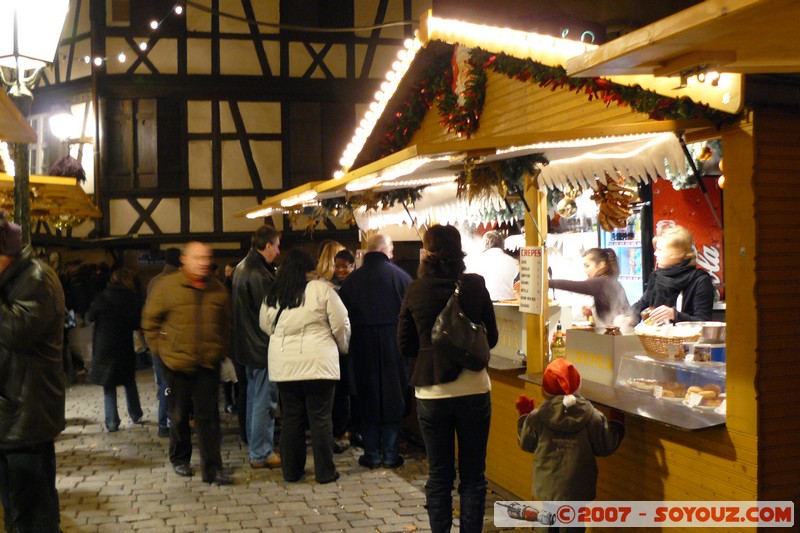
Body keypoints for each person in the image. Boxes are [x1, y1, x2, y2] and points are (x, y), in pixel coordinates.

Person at [398, 224, 498, 533]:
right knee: (473, 476)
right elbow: (490, 338)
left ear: (425, 253)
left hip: (432, 393)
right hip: (474, 390)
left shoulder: (415, 290)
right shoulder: (476, 285)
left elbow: (404, 344)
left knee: (439, 474)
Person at [142, 242, 232, 485]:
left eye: (206, 257)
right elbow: (149, 323)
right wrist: (161, 352)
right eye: (198, 258)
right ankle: (180, 459)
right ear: (184, 260)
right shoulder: (167, 287)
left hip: (207, 364)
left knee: (209, 419)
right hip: (176, 364)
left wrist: (219, 350)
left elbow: (225, 324)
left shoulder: (217, 289)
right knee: (179, 416)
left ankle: (212, 468)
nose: (203, 262)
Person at [259, 249, 350, 484]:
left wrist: (283, 339)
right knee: (320, 419)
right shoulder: (322, 290)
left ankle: (291, 471)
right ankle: (325, 471)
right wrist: (341, 346)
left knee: (291, 419)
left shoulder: (274, 293)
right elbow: (341, 322)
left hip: (285, 366)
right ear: (309, 269)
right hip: (319, 364)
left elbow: (265, 325)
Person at [0, 211, 66, 531]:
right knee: (17, 509)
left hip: (26, 417)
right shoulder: (12, 279)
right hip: (11, 416)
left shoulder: (36, 278)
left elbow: (16, 332)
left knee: (32, 514)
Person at [516, 358, 625, 532]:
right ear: (577, 385)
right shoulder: (592, 417)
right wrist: (617, 421)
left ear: (545, 389)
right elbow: (606, 446)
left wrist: (524, 415)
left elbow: (526, 443)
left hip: (547, 487)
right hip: (578, 489)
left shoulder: (537, 417)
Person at [339, 234, 412, 469]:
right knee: (393, 397)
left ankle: (371, 454)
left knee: (366, 397)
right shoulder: (402, 278)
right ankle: (390, 454)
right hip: (394, 347)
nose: (392, 256)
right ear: (384, 250)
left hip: (361, 347)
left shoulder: (351, 282)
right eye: (391, 251)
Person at [232, 225, 282, 469]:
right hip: (261, 346)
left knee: (253, 398)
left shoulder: (242, 267)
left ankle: (256, 446)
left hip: (245, 345)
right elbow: (270, 313)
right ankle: (261, 452)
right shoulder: (259, 274)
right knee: (265, 400)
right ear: (268, 245)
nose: (278, 251)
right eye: (277, 245)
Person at [86, 268, 144, 432]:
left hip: (104, 345)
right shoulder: (132, 298)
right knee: (129, 380)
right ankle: (135, 413)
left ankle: (112, 422)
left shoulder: (102, 296)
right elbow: (137, 323)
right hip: (123, 344)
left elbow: (90, 316)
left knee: (108, 384)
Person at [631, 225, 715, 324]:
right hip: (657, 338)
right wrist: (625, 316)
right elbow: (642, 305)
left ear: (678, 253)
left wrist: (674, 315)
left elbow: (703, 322)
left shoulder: (700, 281)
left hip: (688, 339)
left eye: (660, 250)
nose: (655, 254)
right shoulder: (657, 277)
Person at [146, 247, 181, 439]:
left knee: (163, 384)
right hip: (171, 340)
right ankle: (165, 423)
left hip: (157, 340)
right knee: (169, 385)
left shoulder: (153, 281)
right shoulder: (175, 282)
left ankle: (165, 420)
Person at [549, 248, 632, 327]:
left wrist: (546, 283)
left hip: (620, 337)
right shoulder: (608, 281)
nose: (585, 270)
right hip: (618, 337)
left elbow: (573, 285)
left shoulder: (603, 282)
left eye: (587, 266)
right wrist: (592, 312)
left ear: (601, 265)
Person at [465, 230, 519, 301]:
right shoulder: (512, 261)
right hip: (508, 303)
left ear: (484, 244)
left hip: (485, 303)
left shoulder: (476, 259)